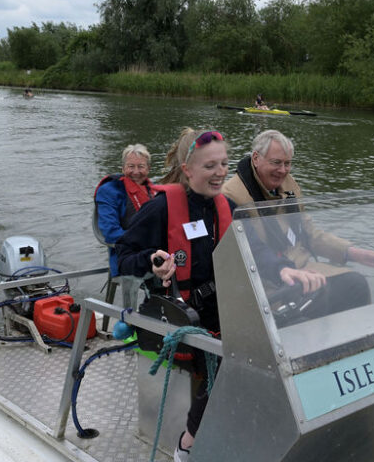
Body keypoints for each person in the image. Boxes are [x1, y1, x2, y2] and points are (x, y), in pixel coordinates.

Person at [117, 130, 327, 461]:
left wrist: (284, 270)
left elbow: (255, 249)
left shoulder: (225, 207)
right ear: (187, 169)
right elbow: (122, 257)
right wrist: (151, 261)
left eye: (224, 165)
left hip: (220, 308)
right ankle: (187, 442)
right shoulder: (160, 209)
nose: (219, 173)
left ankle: (265, 423)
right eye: (210, 165)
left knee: (286, 333)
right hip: (177, 313)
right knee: (238, 357)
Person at [222, 129, 374, 308]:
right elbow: (245, 256)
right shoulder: (232, 196)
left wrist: (351, 252)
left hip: (303, 265)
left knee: (355, 284)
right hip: (268, 279)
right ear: (256, 158)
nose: (282, 170)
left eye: (288, 163)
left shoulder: (289, 184)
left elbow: (309, 232)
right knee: (318, 299)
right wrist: (284, 271)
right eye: (276, 162)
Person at [93, 144, 156, 311]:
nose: (136, 172)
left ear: (148, 169)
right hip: (125, 255)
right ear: (122, 168)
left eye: (141, 166)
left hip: (155, 251)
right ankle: (131, 326)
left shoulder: (153, 190)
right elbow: (110, 232)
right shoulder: (110, 191)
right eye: (131, 166)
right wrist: (142, 243)